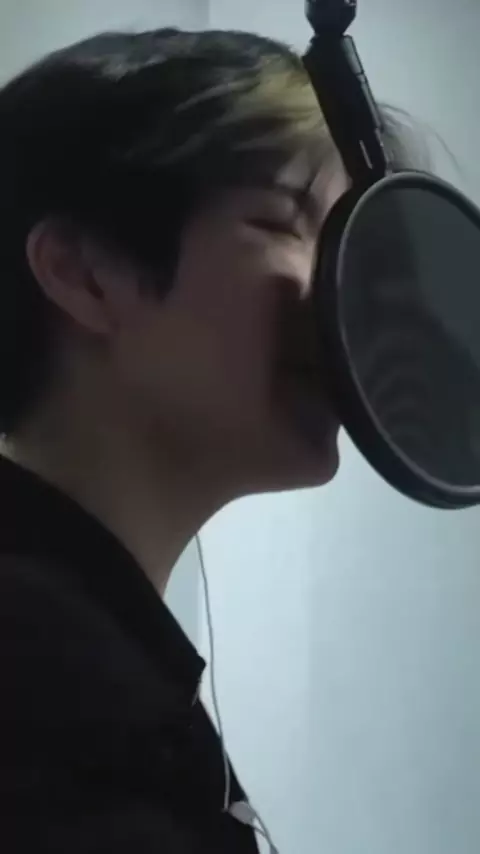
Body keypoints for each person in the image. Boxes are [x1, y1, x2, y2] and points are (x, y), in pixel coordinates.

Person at [0, 26, 406, 853]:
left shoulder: (89, 657)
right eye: (284, 222)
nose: (347, 292)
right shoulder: (42, 696)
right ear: (85, 273)